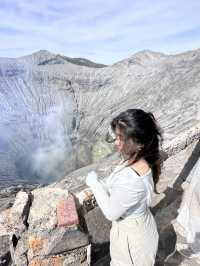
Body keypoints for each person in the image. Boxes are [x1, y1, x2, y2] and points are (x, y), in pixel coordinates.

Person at [86, 109, 162, 266]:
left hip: (132, 242)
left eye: (121, 138)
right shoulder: (138, 159)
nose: (116, 142)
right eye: (116, 136)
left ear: (139, 143)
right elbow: (118, 183)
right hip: (136, 231)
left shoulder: (132, 180)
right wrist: (104, 184)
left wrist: (93, 182)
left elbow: (111, 212)